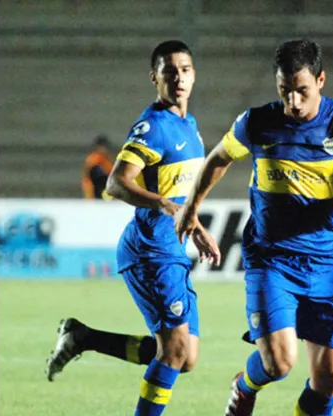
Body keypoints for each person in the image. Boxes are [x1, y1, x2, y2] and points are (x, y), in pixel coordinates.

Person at [174, 39, 333, 416]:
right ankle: (244, 385)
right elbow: (218, 159)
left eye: (302, 91)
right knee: (279, 363)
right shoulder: (258, 122)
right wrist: (190, 208)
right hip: (272, 260)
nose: (294, 102)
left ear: (321, 80)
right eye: (285, 92)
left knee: (329, 378)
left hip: (326, 263)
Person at [45, 40, 221, 416]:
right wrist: (164, 205)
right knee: (173, 351)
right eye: (169, 71)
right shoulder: (153, 126)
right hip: (150, 250)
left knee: (185, 357)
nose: (178, 78)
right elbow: (114, 183)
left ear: (194, 75)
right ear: (154, 78)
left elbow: (179, 192)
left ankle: (83, 337)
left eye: (185, 70)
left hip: (170, 247)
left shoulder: (188, 125)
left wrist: (196, 226)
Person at [81, 135, 114, 200]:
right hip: (93, 193)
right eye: (102, 147)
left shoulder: (107, 160)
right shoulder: (94, 158)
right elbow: (96, 175)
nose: (104, 150)